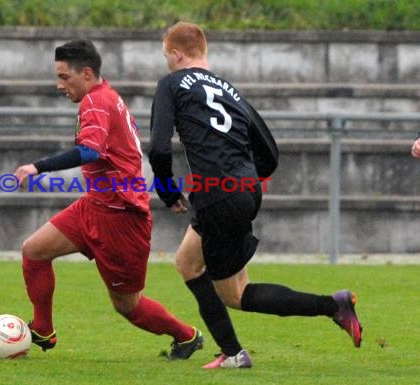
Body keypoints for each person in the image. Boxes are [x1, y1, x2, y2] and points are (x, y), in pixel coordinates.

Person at [147, 22, 363, 369]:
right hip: (242, 189)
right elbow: (269, 152)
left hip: (216, 192)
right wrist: (245, 181)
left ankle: (237, 352)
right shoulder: (229, 89)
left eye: (166, 56)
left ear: (176, 54)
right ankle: (329, 308)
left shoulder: (171, 84)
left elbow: (158, 148)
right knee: (193, 266)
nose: (167, 63)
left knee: (229, 291)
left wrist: (168, 192)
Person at [13, 39, 203, 360]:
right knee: (34, 251)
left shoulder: (96, 103)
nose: (59, 85)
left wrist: (37, 167)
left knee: (127, 306)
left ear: (86, 73)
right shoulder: (104, 96)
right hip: (95, 205)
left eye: (64, 77)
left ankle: (186, 336)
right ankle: (43, 329)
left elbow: (90, 150)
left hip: (121, 218)